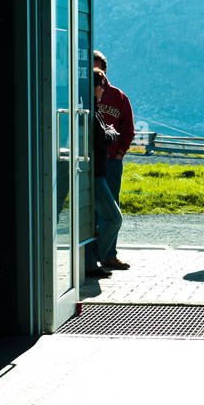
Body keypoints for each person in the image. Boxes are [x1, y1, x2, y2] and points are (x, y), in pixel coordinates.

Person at [92, 50, 133, 271]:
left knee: (112, 207)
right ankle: (91, 257)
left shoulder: (119, 96)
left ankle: (109, 255)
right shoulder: (82, 95)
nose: (95, 73)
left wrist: (119, 154)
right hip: (91, 162)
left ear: (105, 71)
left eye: (98, 69)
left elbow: (129, 129)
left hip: (112, 162)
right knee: (93, 210)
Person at [84, 69, 124, 279]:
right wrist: (111, 133)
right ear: (94, 87)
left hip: (95, 172)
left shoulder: (92, 108)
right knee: (113, 217)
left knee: (91, 220)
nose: (103, 91)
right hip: (95, 175)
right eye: (101, 86)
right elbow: (101, 138)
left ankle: (89, 262)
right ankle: (96, 256)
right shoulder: (91, 110)